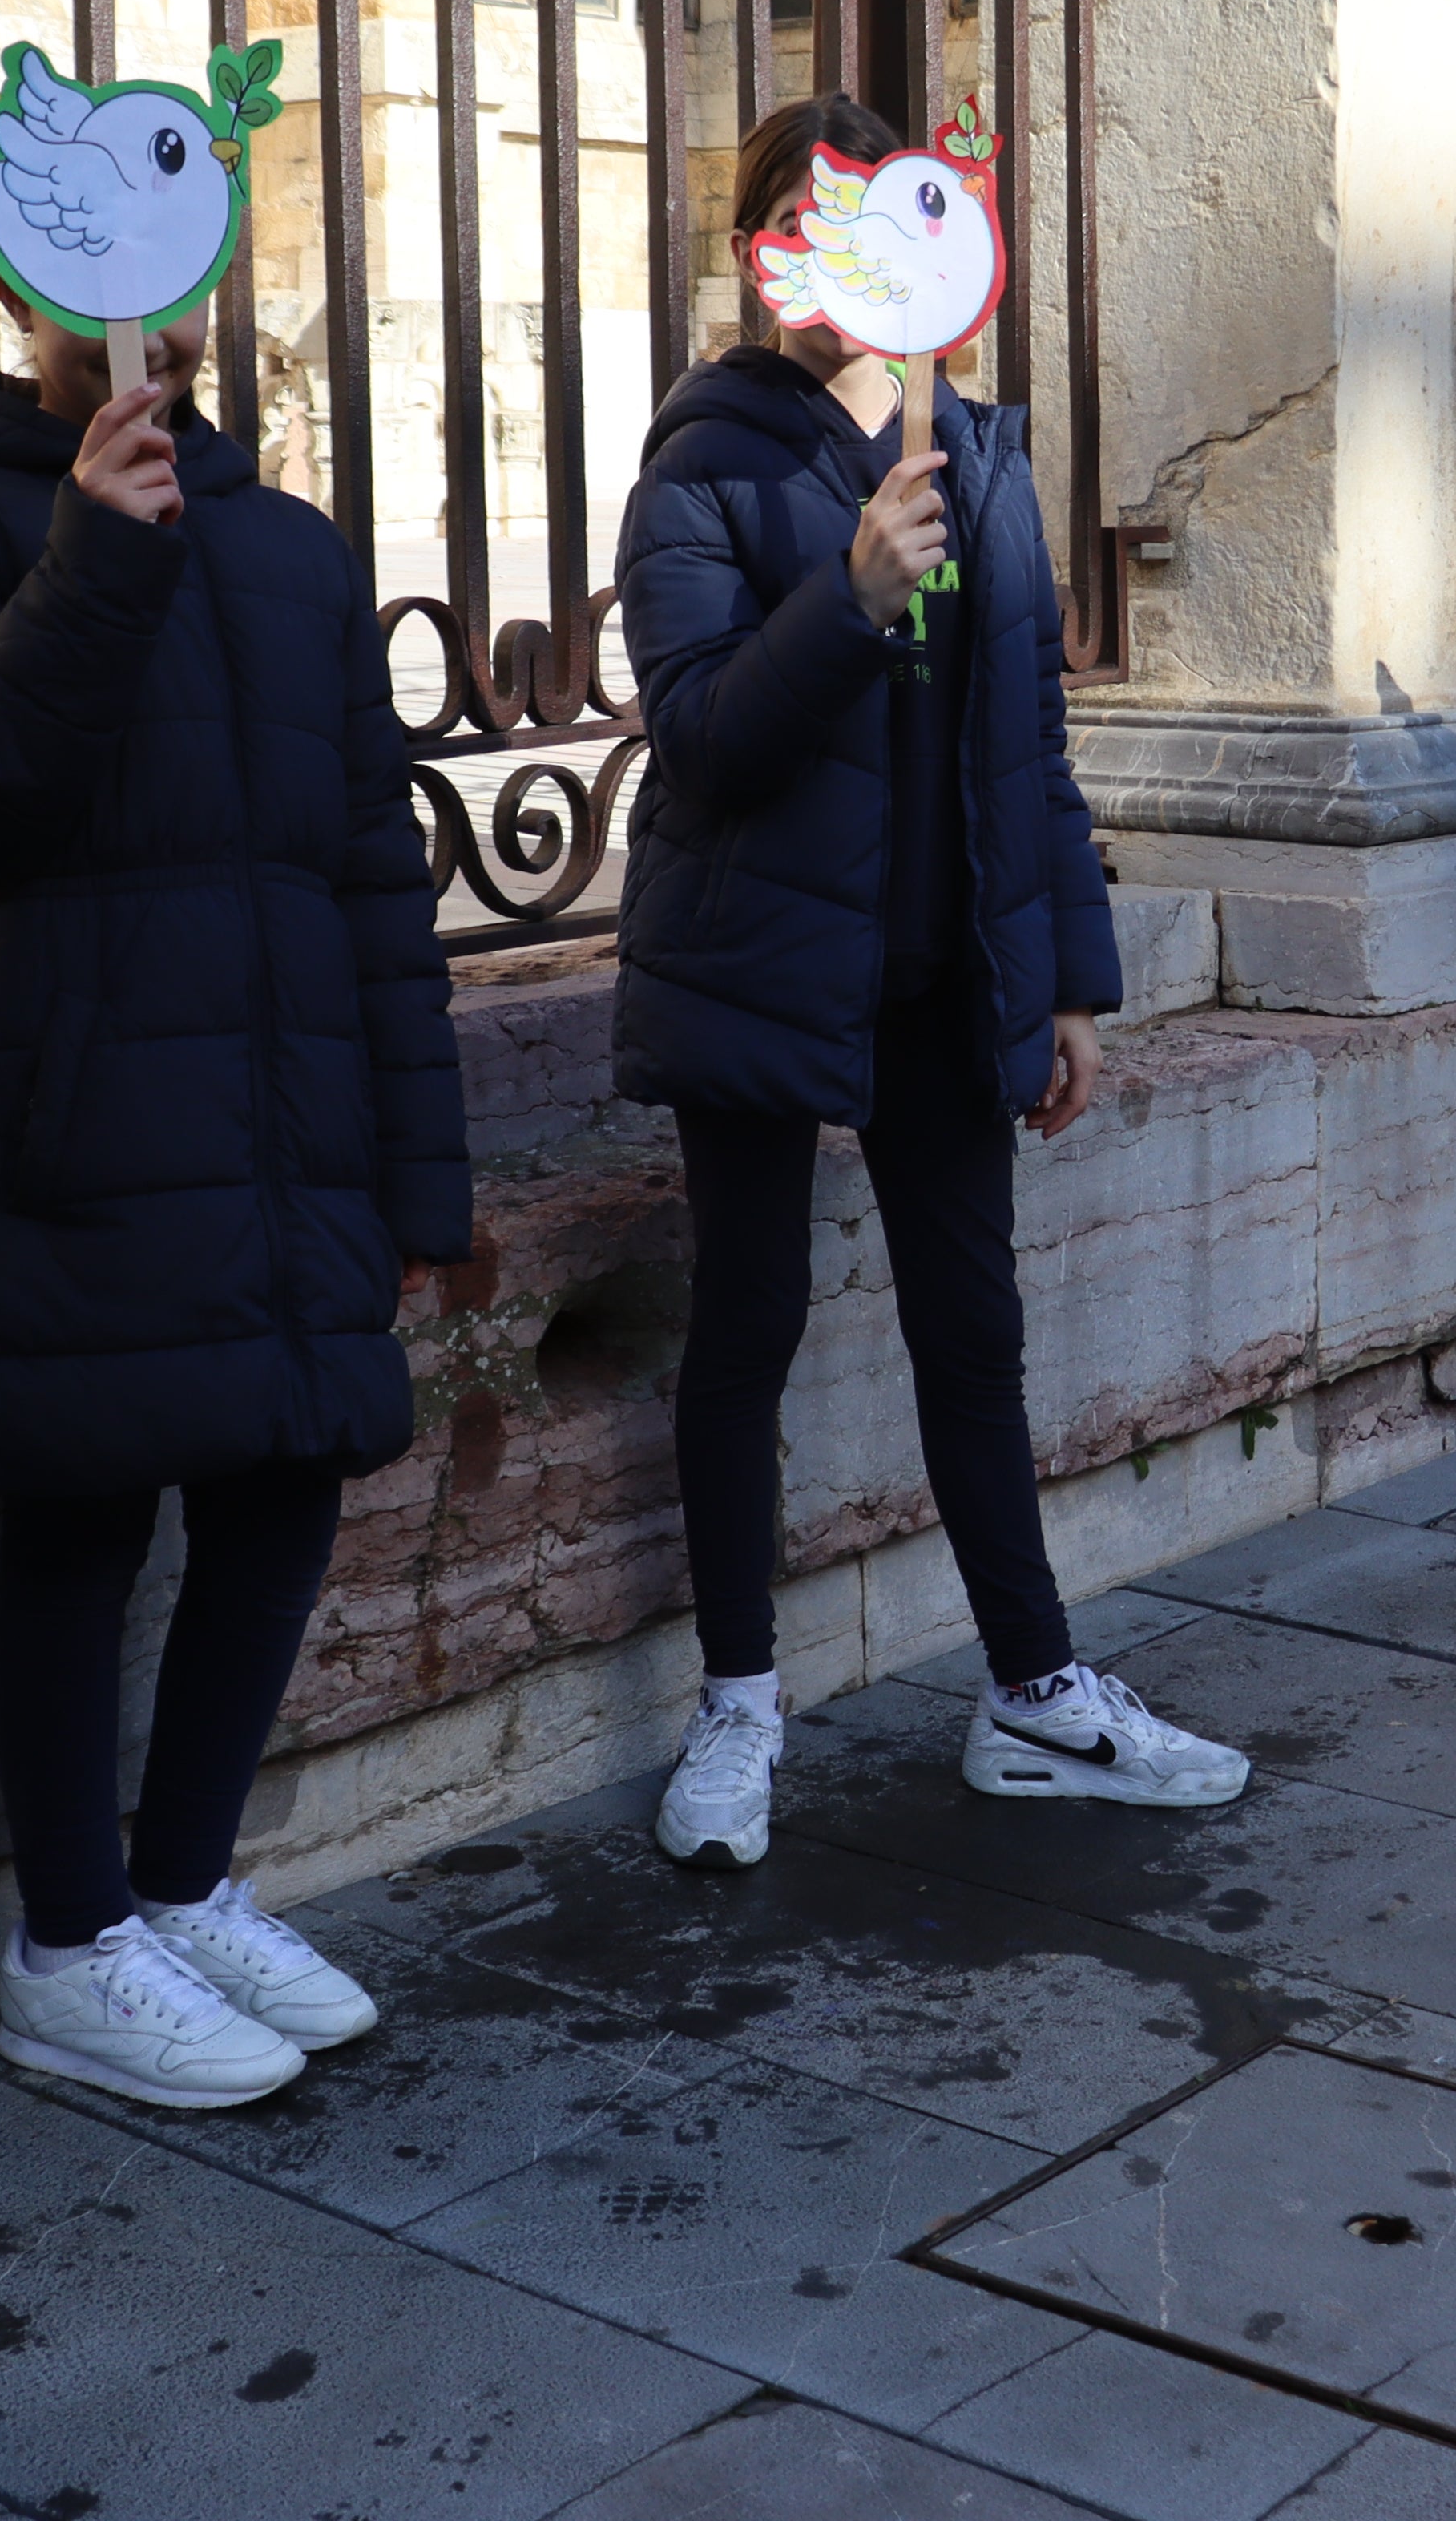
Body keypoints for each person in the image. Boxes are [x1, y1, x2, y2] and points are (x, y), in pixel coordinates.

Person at [0, 263, 471, 2114]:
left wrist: (419, 1176)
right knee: (82, 1513)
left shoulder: (287, 548)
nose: (161, 318)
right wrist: (90, 563)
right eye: (100, 276)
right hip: (70, 1118)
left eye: (192, 270)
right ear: (1, 287)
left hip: (279, 1118)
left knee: (284, 1476)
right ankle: (70, 1941)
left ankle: (183, 1878)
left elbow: (372, 868)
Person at [607, 93, 1246, 1867]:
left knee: (976, 1330)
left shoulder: (981, 448)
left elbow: (1026, 737)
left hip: (942, 971)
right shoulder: (706, 462)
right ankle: (741, 1703)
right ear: (760, 255)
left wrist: (1066, 974)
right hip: (757, 960)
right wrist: (855, 594)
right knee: (747, 1325)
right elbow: (705, 737)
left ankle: (1036, 1690)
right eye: (804, 229)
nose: (844, 269)